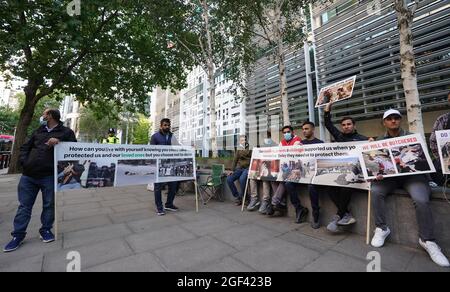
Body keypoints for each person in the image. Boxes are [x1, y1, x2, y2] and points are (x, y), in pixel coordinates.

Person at [370, 109, 449, 268]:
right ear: (384, 122)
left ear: (400, 120)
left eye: (396, 118)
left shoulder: (413, 137)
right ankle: (381, 228)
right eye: (390, 119)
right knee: (376, 191)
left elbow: (424, 160)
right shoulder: (378, 140)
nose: (393, 121)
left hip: (412, 177)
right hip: (389, 178)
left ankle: (428, 240)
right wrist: (375, 172)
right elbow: (375, 165)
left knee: (421, 199)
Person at [4, 109, 77, 253]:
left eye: (44, 114)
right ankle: (18, 235)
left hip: (49, 176)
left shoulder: (66, 132)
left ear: (50, 116)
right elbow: (26, 147)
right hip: (29, 176)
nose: (42, 116)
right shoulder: (38, 130)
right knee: (24, 206)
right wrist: (25, 162)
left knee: (49, 205)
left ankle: (45, 230)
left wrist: (60, 142)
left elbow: (74, 148)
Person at [324, 101, 368, 232]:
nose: (346, 127)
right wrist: (327, 110)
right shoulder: (339, 137)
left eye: (349, 124)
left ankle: (339, 215)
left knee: (346, 187)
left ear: (354, 125)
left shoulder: (363, 139)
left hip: (358, 175)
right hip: (342, 172)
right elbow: (328, 124)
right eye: (343, 125)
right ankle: (346, 214)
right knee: (329, 187)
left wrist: (371, 143)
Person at [285, 121, 326, 228]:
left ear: (313, 130)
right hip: (301, 173)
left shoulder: (320, 143)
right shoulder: (300, 144)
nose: (304, 131)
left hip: (315, 174)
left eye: (306, 129)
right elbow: (294, 160)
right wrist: (294, 150)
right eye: (303, 129)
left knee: (312, 186)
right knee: (288, 184)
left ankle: (316, 213)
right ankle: (299, 209)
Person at [268, 126, 302, 217]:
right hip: (285, 166)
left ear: (292, 132)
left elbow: (293, 153)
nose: (286, 134)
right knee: (272, 178)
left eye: (288, 132)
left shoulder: (297, 139)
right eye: (284, 132)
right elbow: (279, 153)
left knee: (284, 178)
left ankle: (274, 202)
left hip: (295, 167)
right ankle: (281, 202)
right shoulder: (282, 142)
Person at [150, 119, 180, 216]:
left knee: (173, 185)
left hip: (171, 165)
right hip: (159, 165)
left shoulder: (172, 136)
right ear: (161, 126)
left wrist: (189, 149)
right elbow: (151, 151)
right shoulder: (155, 137)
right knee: (158, 187)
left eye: (168, 125)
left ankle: (169, 204)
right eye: (165, 125)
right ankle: (159, 208)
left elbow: (178, 148)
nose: (167, 127)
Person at [247, 131, 278, 213]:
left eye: (266, 136)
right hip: (260, 167)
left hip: (269, 168)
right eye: (263, 137)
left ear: (269, 136)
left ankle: (265, 200)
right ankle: (254, 199)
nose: (265, 138)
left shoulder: (275, 145)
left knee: (265, 179)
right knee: (252, 178)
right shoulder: (259, 146)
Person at [429, 91, 450, 185]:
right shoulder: (443, 119)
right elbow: (433, 142)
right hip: (447, 160)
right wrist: (443, 159)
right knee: (436, 168)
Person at [227, 135, 252, 206]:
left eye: (244, 140)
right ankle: (238, 197)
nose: (242, 141)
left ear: (246, 140)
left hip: (247, 168)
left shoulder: (250, 148)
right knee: (229, 179)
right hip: (239, 168)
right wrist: (232, 170)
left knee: (242, 179)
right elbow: (235, 160)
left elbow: (253, 158)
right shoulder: (239, 149)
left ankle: (246, 197)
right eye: (241, 140)